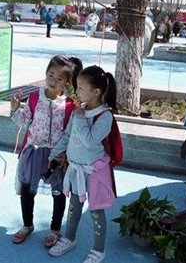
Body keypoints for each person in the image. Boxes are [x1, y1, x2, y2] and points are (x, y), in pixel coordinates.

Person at [9, 55, 83, 247]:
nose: (53, 80)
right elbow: (24, 122)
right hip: (34, 152)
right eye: (51, 75)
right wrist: (15, 109)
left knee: (58, 193)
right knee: (28, 190)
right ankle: (27, 225)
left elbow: (71, 133)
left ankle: (55, 229)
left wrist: (65, 154)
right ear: (45, 74)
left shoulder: (70, 106)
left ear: (67, 83)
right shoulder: (34, 98)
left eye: (59, 78)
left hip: (56, 156)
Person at [48, 65, 119, 263]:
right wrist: (54, 155)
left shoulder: (105, 116)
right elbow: (68, 136)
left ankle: (98, 250)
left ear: (96, 92)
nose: (76, 90)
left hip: (94, 172)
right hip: (75, 169)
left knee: (96, 211)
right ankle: (69, 238)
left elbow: (89, 140)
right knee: (74, 206)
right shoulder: (79, 111)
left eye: (80, 87)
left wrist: (79, 116)